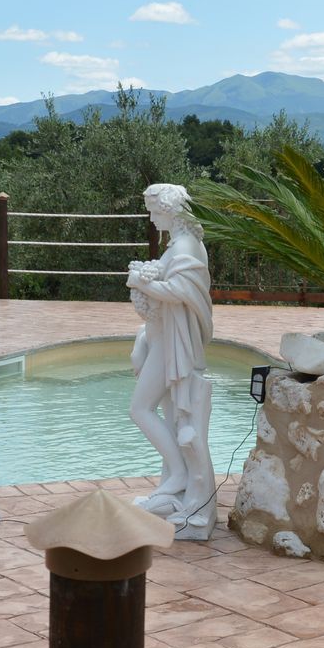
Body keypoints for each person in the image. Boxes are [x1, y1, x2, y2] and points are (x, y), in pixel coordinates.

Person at [127, 184, 215, 539]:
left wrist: (141, 283)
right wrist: (142, 336)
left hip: (174, 347)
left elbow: (182, 293)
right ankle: (178, 480)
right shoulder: (180, 245)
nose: (151, 218)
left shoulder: (184, 246)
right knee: (161, 412)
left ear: (171, 211)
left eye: (154, 211)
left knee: (139, 408)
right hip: (162, 339)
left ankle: (179, 473)